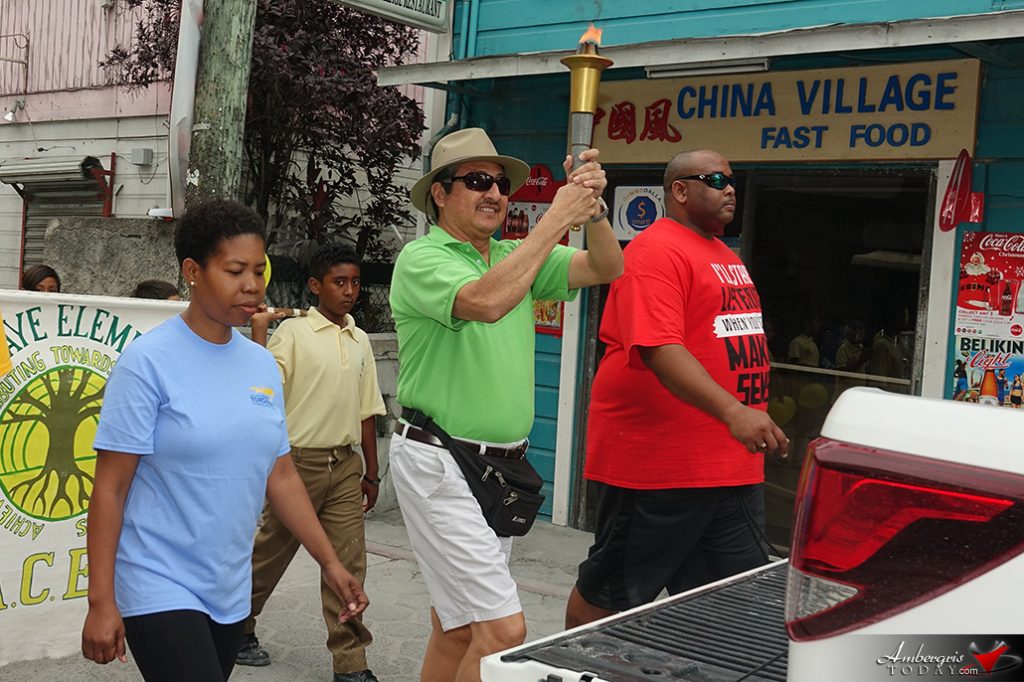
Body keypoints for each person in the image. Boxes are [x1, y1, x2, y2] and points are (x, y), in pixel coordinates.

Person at [81, 199, 368, 681]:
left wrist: (331, 564)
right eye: (235, 270)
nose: (253, 285)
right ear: (193, 271)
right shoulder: (147, 362)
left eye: (259, 270)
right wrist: (101, 601)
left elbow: (280, 475)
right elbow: (109, 489)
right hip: (158, 581)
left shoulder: (260, 364)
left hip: (229, 587)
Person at [388, 127, 623, 682]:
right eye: (476, 181)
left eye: (499, 183)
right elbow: (487, 301)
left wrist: (592, 209)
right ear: (440, 194)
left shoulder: (517, 255)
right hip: (440, 460)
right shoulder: (421, 258)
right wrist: (557, 216)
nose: (494, 193)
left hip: (498, 471)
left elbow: (607, 268)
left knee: (458, 627)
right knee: (502, 632)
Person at [564, 149, 788, 629]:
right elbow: (659, 348)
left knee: (738, 602)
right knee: (610, 590)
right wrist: (734, 411)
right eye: (714, 178)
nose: (730, 187)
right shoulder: (655, 251)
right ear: (679, 191)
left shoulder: (724, 255)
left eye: (732, 178)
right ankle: (571, 670)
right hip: (658, 468)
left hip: (726, 466)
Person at [239, 243, 387, 682]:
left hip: (344, 467)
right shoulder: (294, 334)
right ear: (315, 286)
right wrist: (259, 332)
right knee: (268, 557)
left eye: (356, 282)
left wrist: (371, 472)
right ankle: (237, 628)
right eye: (339, 282)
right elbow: (260, 388)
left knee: (348, 565)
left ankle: (350, 662)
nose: (349, 291)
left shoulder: (359, 339)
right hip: (296, 465)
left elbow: (366, 412)